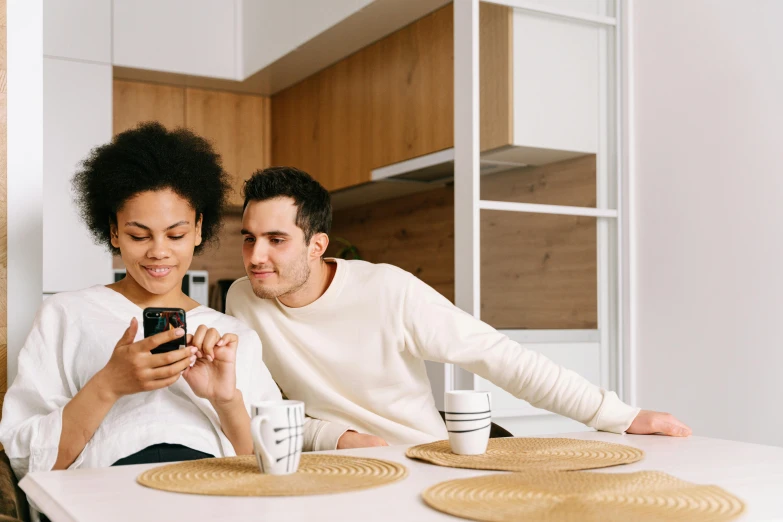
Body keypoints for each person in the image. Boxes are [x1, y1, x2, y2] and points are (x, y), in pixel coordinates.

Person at [226, 166, 692, 449]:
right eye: (249, 238)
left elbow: (498, 355)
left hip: (418, 459)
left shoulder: (388, 290)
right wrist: (337, 439)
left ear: (316, 245)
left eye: (276, 239)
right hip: (331, 466)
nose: (256, 256)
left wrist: (620, 416)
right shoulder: (243, 299)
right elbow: (264, 409)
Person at [0, 124, 314, 486]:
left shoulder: (231, 336)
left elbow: (271, 469)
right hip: (109, 495)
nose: (159, 251)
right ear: (114, 232)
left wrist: (224, 398)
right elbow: (28, 459)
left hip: (212, 495)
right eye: (138, 235)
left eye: (176, 234)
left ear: (198, 229)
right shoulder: (66, 315)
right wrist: (109, 385)